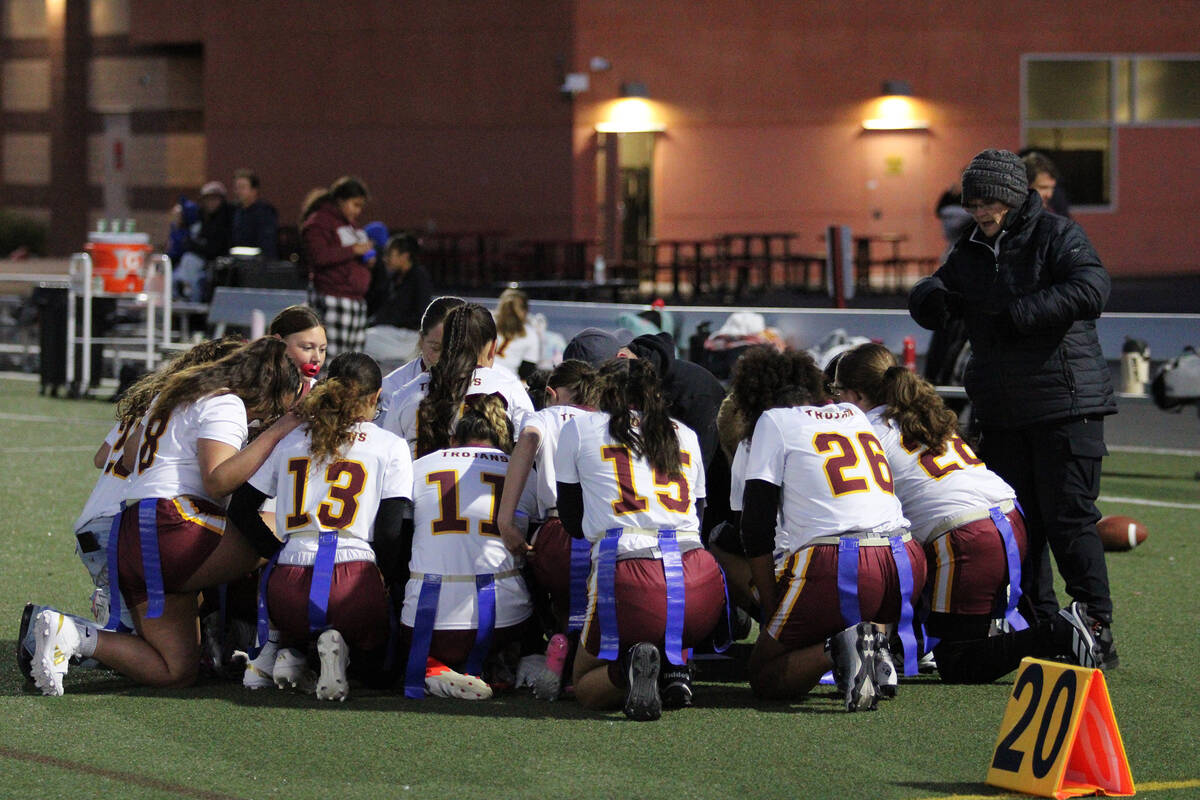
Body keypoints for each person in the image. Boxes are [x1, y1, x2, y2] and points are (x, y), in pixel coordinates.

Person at [908, 148, 1118, 669]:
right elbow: (938, 286)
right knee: (1020, 527)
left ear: (1015, 197)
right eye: (973, 202)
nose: (980, 211)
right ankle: (1045, 631)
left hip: (1066, 406)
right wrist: (928, 298)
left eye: (989, 202)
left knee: (1070, 522)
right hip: (1003, 411)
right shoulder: (972, 247)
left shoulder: (1059, 234)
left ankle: (1096, 628)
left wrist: (1015, 316)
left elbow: (1092, 288)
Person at [26, 338, 302, 695]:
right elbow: (217, 481)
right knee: (282, 531)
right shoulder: (225, 402)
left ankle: (75, 635)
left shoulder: (174, 395)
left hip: (131, 531)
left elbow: (127, 454)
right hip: (171, 524)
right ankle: (275, 651)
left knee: (175, 670)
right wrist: (280, 431)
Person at [834, 343, 1103, 682]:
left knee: (959, 661)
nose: (834, 401)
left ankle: (1058, 633)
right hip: (1008, 518)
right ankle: (922, 640)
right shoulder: (917, 412)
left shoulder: (864, 431)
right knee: (919, 565)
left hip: (967, 537)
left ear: (857, 394)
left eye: (837, 391)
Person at [738, 348, 927, 711]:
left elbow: (755, 527)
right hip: (904, 556)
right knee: (842, 611)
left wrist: (771, 608)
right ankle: (876, 648)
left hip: (841, 563)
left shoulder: (774, 421)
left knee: (763, 675)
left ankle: (841, 648)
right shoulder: (854, 414)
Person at [227, 352, 414, 701]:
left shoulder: (292, 440)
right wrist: (385, 578)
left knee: (300, 625)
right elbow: (390, 531)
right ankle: (335, 655)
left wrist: (276, 554)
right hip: (352, 580)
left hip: (288, 586)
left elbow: (241, 509)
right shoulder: (390, 445)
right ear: (375, 397)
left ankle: (294, 655)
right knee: (380, 670)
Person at [555, 358, 726, 721]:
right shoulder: (686, 434)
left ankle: (630, 668)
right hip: (699, 582)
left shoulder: (580, 428)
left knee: (584, 683)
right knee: (665, 603)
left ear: (604, 392)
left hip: (630, 578)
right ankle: (672, 665)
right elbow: (699, 515)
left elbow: (571, 521)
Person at [400, 394, 535, 699]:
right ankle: (512, 661)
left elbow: (399, 535)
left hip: (427, 620)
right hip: (504, 621)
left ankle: (433, 670)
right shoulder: (523, 471)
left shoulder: (419, 467)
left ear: (452, 439)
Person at [495, 359, 598, 699]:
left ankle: (554, 642)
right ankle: (577, 663)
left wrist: (505, 520)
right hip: (605, 534)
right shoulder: (606, 422)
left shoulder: (543, 416)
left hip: (556, 530)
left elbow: (528, 438)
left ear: (552, 393)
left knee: (540, 577)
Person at [380, 303, 534, 457]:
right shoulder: (509, 387)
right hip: (490, 480)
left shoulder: (405, 393)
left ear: (445, 344)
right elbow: (529, 453)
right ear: (493, 347)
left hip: (421, 479)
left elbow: (387, 461)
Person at [301, 176, 374, 357]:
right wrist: (353, 250)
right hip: (333, 296)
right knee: (331, 357)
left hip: (355, 299)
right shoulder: (319, 222)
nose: (358, 211)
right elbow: (319, 256)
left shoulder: (351, 225)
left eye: (361, 206)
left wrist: (368, 259)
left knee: (353, 359)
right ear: (341, 200)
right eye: (355, 204)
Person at [378, 296, 465, 415]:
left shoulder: (489, 386)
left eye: (456, 349)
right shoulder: (392, 388)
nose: (446, 358)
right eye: (436, 348)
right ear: (421, 340)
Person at [364, 234, 435, 372]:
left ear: (404, 256)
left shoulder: (419, 278)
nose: (385, 259)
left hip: (409, 336)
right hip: (390, 332)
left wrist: (390, 321)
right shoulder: (394, 278)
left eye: (390, 254)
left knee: (365, 339)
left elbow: (421, 315)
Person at [174, 180, 233, 301]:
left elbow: (214, 248)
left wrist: (194, 245)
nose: (211, 203)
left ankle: (191, 302)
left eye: (215, 199)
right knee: (179, 270)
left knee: (190, 262)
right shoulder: (200, 218)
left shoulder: (226, 220)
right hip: (197, 262)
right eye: (208, 199)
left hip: (215, 264)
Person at [493, 288, 543, 380]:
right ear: (524, 311)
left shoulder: (487, 322)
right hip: (508, 382)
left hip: (479, 377)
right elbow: (527, 372)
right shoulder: (530, 334)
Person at [230, 169, 279, 260]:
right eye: (236, 188)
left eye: (242, 187)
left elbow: (267, 243)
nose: (238, 192)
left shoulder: (265, 212)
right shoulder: (235, 212)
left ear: (254, 190)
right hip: (239, 263)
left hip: (257, 265)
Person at [1020, 149, 1071, 217]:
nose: (1049, 195)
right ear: (1024, 186)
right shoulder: (1006, 217)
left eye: (1052, 188)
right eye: (1043, 187)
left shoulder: (1055, 214)